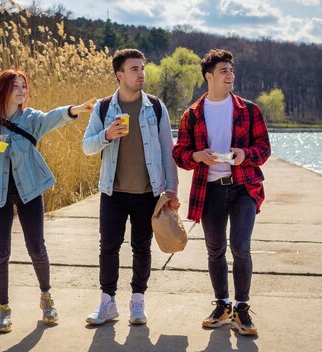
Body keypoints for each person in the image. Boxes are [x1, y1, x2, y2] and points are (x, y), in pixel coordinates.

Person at [0, 69, 95, 333]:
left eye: (24, 86)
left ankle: (46, 297)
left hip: (30, 190)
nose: (22, 90)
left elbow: (52, 118)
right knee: (0, 253)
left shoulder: (31, 118)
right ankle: (3, 309)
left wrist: (75, 109)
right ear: (3, 89)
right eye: (16, 86)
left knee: (36, 246)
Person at [172, 49, 271, 336]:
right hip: (209, 190)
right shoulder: (192, 114)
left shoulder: (249, 110)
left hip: (243, 188)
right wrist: (198, 156)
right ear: (209, 76)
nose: (231, 75)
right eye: (224, 71)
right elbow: (180, 154)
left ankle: (242, 308)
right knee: (215, 250)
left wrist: (244, 154)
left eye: (231, 70)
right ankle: (223, 306)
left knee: (240, 246)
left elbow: (264, 149)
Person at [81, 49, 179, 326]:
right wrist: (107, 135)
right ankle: (107, 302)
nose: (141, 74)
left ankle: (138, 302)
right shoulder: (103, 108)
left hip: (147, 193)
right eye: (134, 69)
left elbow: (166, 150)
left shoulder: (156, 107)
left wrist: (171, 190)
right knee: (108, 247)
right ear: (119, 75)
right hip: (113, 191)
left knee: (142, 247)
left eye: (142, 68)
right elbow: (87, 147)